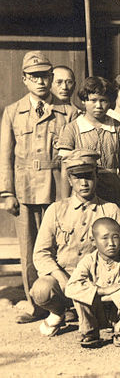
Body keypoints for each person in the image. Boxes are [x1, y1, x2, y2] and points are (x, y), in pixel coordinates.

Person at [0, 51, 79, 323]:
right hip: (25, 191)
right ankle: (36, 305)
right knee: (29, 249)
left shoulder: (69, 112)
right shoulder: (13, 112)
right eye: (34, 76)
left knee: (62, 246)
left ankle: (65, 304)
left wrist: (73, 193)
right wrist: (6, 193)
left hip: (59, 190)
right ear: (24, 79)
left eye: (45, 75)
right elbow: (5, 156)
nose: (41, 81)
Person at [30, 150, 120, 337]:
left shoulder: (110, 209)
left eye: (88, 177)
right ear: (69, 180)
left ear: (96, 177)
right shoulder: (56, 210)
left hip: (100, 282)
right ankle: (59, 311)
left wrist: (109, 282)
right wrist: (61, 277)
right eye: (77, 178)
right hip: (64, 279)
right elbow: (41, 253)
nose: (83, 183)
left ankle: (98, 314)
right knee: (42, 290)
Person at [65, 217, 120, 348]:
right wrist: (102, 291)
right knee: (79, 296)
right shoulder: (88, 260)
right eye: (105, 238)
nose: (111, 243)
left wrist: (105, 297)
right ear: (93, 241)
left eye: (115, 237)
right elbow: (70, 288)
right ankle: (90, 333)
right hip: (97, 313)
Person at [56, 76, 120, 206]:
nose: (99, 106)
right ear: (84, 100)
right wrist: (64, 202)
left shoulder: (119, 127)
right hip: (82, 189)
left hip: (112, 189)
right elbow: (65, 169)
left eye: (104, 101)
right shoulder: (71, 129)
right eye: (93, 100)